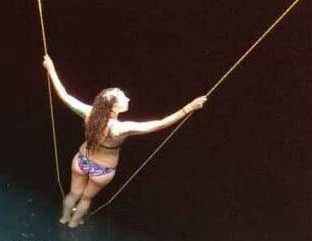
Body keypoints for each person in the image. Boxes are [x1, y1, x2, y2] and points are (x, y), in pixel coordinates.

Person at [43, 55, 207, 227]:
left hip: (81, 161)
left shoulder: (88, 113)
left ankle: (64, 219)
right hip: (103, 170)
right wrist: (189, 107)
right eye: (123, 98)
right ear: (114, 107)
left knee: (73, 194)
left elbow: (63, 94)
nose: (128, 99)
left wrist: (50, 68)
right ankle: (74, 223)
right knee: (86, 197)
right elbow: (160, 124)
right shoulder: (120, 129)